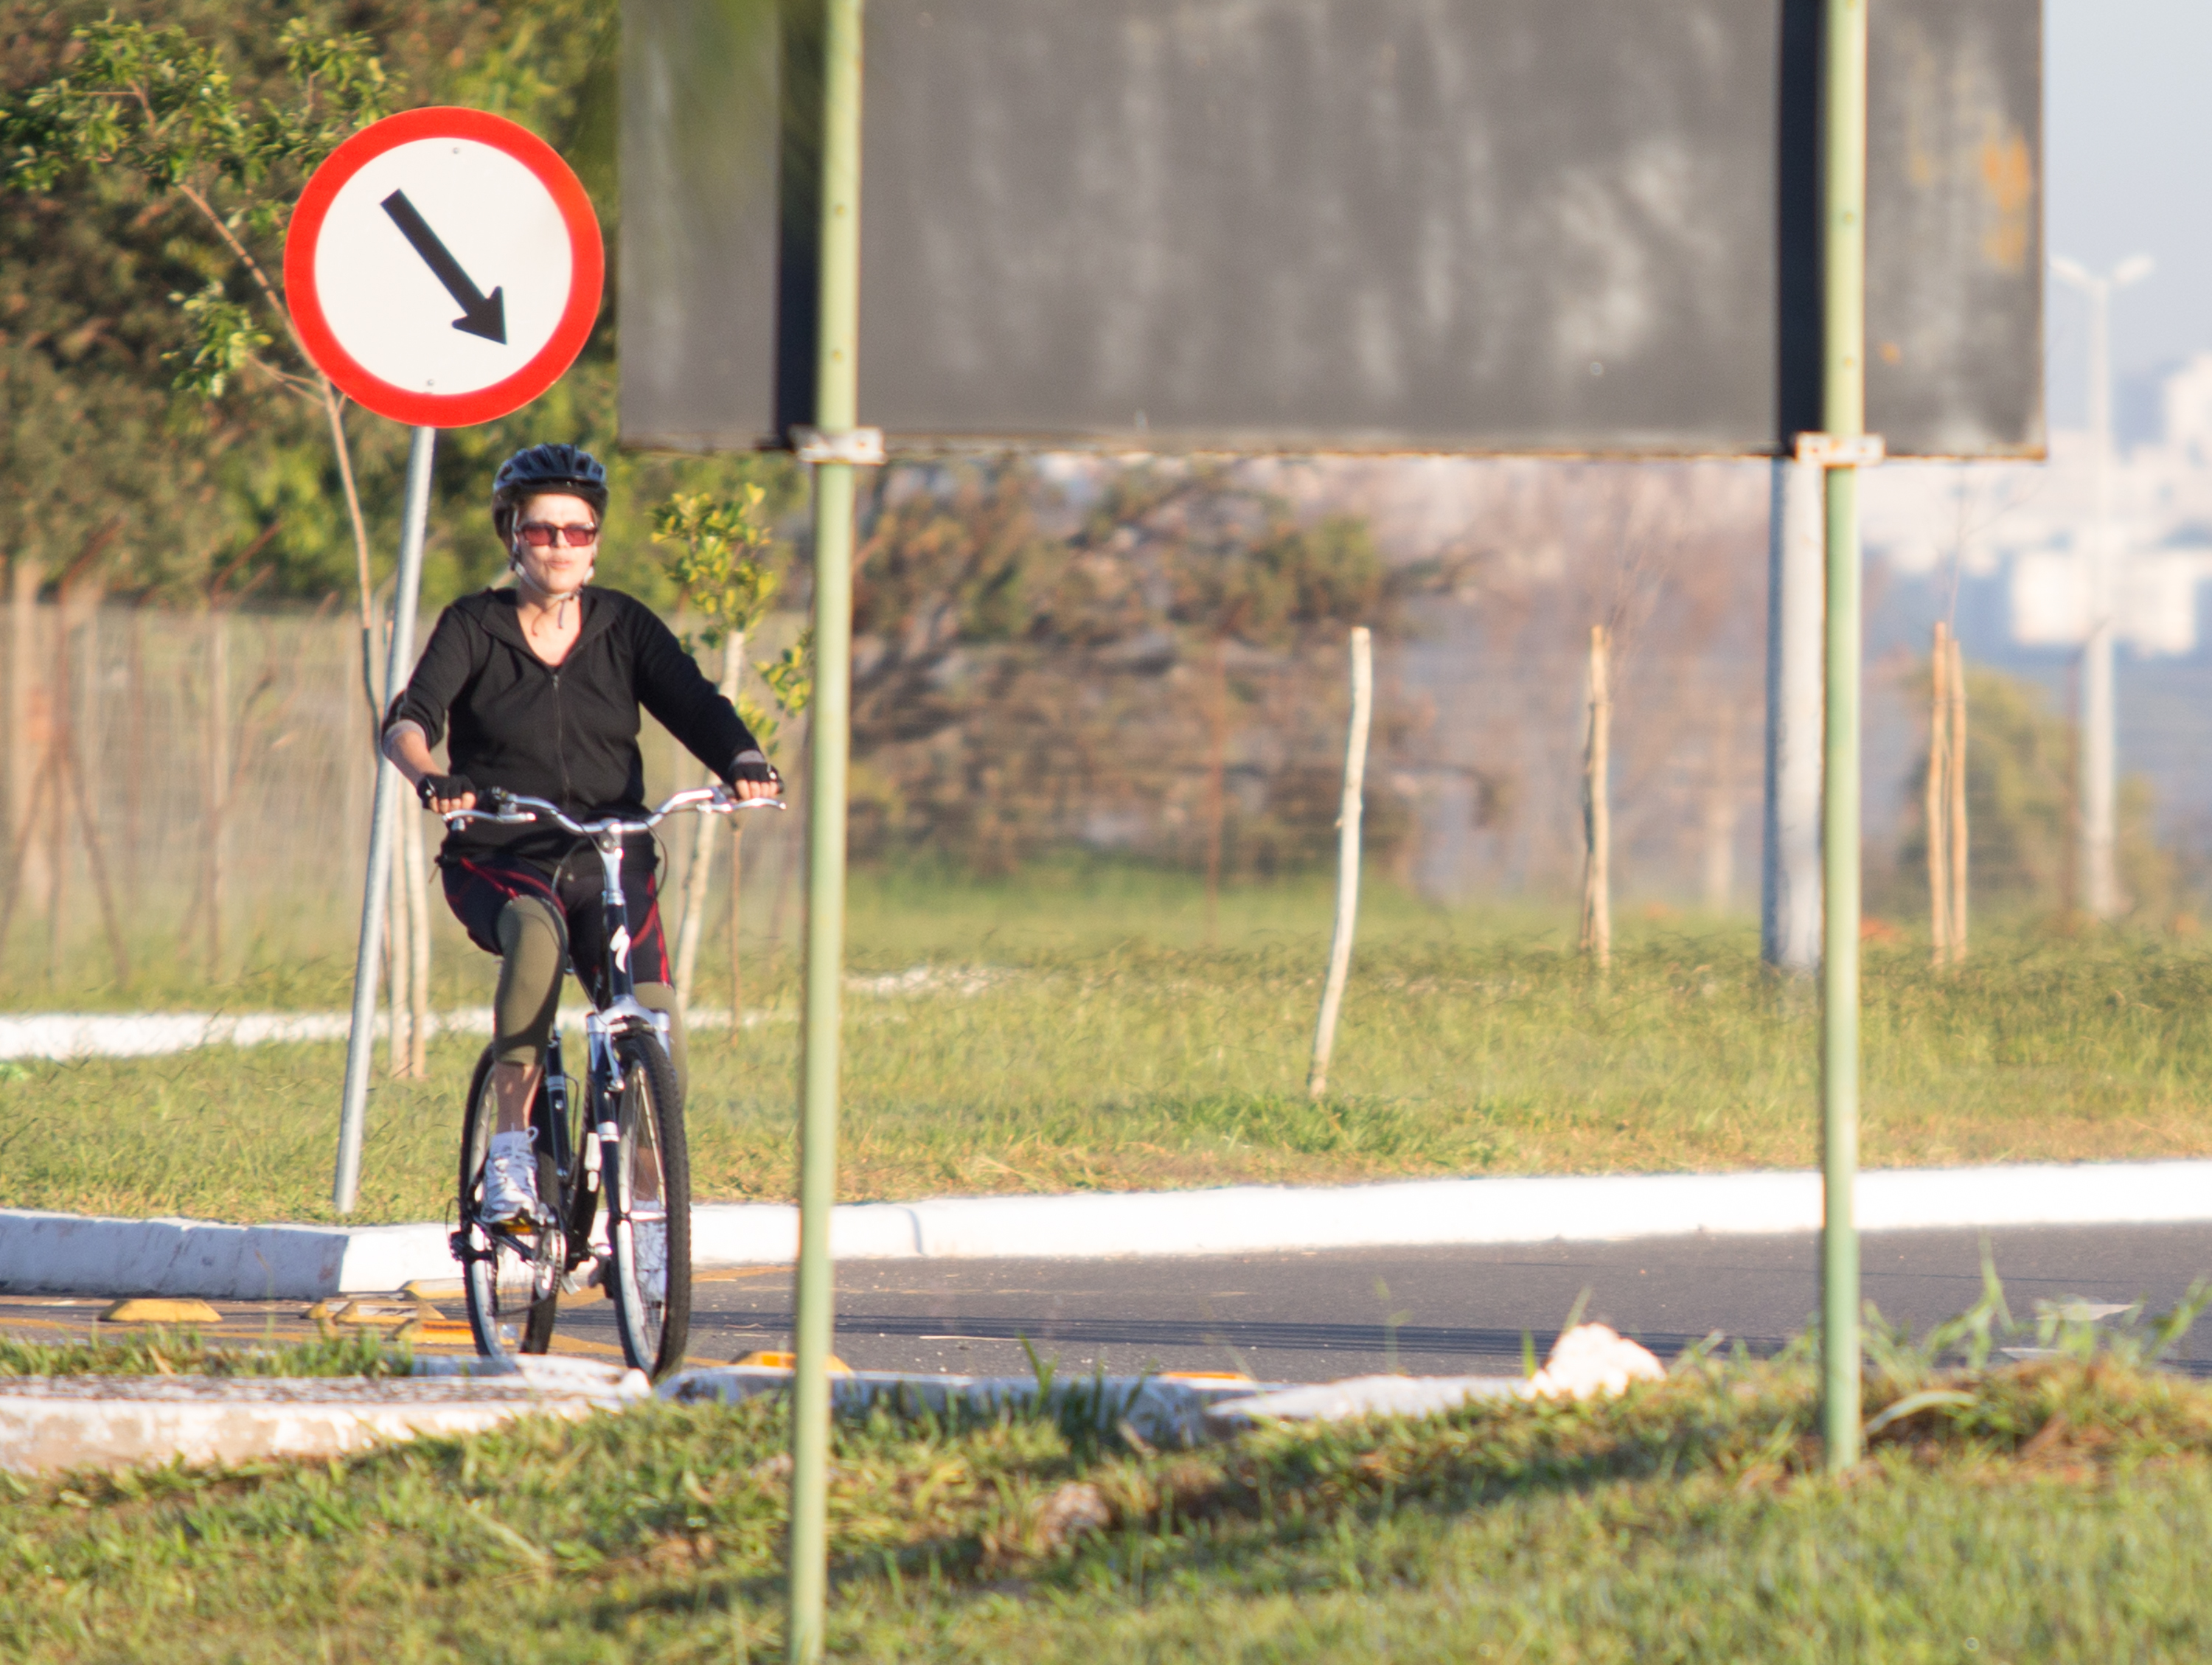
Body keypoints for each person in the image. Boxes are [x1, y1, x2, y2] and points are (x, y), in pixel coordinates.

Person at [380, 443, 779, 1224]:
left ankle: (648, 1211)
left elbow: (694, 702)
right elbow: (410, 720)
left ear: (596, 543)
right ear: (512, 537)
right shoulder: (475, 623)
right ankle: (512, 1158)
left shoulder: (626, 625)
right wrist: (432, 778)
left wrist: (742, 757)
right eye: (541, 531)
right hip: (501, 851)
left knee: (655, 1023)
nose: (560, 545)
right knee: (534, 936)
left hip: (610, 854)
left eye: (577, 530)